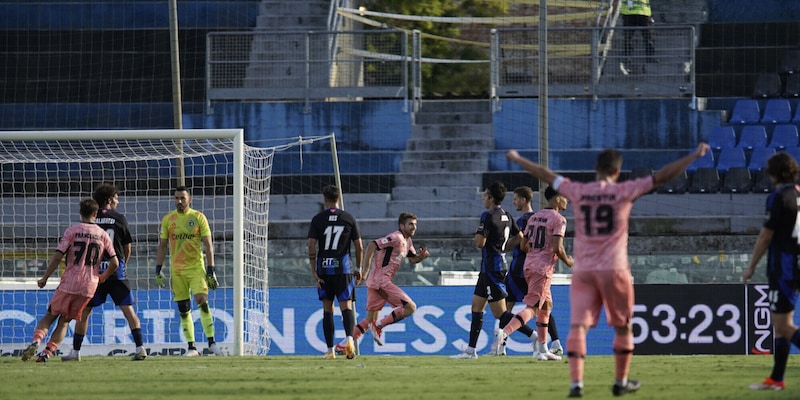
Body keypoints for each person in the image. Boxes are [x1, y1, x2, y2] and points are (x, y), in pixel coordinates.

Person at [506, 143, 709, 397]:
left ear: (596, 169)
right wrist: (693, 155)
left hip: (585, 270)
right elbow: (663, 176)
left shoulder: (579, 190)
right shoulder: (625, 190)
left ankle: (576, 384)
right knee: (623, 326)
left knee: (578, 326)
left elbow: (544, 174)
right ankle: (620, 381)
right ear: (617, 170)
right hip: (614, 269)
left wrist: (517, 158)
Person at [21, 198, 119, 362]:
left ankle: (36, 341)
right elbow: (115, 262)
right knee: (65, 321)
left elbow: (58, 255)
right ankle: (47, 353)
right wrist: (103, 277)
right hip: (89, 285)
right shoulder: (102, 235)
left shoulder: (72, 231)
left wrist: (45, 278)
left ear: (80, 212)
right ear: (95, 214)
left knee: (50, 315)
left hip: (70, 281)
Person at [62, 183, 147, 362]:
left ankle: (76, 353)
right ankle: (140, 348)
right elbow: (127, 248)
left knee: (84, 312)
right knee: (128, 310)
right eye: (116, 198)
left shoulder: (91, 219)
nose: (118, 201)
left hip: (93, 273)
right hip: (115, 271)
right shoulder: (120, 218)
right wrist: (120, 265)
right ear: (109, 200)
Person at [495, 186, 574, 362]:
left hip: (529, 265)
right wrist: (569, 261)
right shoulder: (559, 220)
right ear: (557, 199)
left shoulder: (535, 217)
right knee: (533, 308)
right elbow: (557, 247)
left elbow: (523, 245)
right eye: (565, 197)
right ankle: (505, 332)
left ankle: (543, 349)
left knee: (546, 307)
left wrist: (537, 251)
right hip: (543, 269)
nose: (568, 201)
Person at [743, 152, 800, 391]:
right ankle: (776, 378)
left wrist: (751, 266)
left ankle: (776, 378)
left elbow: (766, 236)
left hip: (784, 267)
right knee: (780, 327)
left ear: (772, 173)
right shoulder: (798, 194)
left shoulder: (778, 197)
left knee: (784, 326)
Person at [337, 212, 430, 352]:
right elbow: (372, 245)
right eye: (410, 224)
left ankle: (342, 345)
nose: (414, 227)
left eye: (415, 224)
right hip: (381, 280)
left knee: (369, 320)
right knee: (410, 307)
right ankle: (379, 326)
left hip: (377, 281)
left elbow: (412, 259)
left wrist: (421, 258)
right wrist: (365, 269)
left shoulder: (408, 241)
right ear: (401, 225)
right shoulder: (396, 237)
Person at [451, 181, 522, 359]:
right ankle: (470, 350)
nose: (483, 199)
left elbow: (479, 243)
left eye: (484, 196)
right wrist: (504, 247)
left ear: (491, 198)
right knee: (476, 306)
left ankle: (534, 336)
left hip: (492, 268)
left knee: (500, 313)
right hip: (491, 268)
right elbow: (520, 236)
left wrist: (483, 238)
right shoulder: (507, 215)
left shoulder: (487, 215)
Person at [155, 186, 224, 357]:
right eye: (176, 198)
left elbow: (208, 245)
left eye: (182, 198)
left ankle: (212, 343)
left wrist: (211, 270)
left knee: (202, 301)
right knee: (184, 308)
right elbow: (162, 245)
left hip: (196, 269)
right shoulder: (168, 219)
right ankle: (192, 348)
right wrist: (158, 268)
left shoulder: (198, 217)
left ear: (189, 199)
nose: (179, 201)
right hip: (177, 271)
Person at [307, 185, 364, 359]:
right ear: (339, 198)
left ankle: (330, 351)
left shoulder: (318, 219)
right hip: (344, 269)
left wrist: (314, 270)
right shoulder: (348, 218)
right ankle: (349, 341)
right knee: (346, 306)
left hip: (324, 269)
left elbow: (311, 245)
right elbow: (359, 246)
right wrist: (359, 268)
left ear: (325, 199)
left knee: (327, 309)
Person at [493, 186, 540, 356]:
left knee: (509, 308)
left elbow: (521, 243)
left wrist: (503, 247)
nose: (513, 202)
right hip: (535, 268)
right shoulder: (539, 219)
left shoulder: (521, 222)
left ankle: (504, 344)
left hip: (518, 270)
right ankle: (501, 346)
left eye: (515, 199)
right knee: (539, 307)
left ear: (523, 200)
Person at [619, 0, 657, 75]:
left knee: (645, 37)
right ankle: (629, 56)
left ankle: (629, 56)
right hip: (634, 12)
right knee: (630, 37)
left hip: (635, 12)